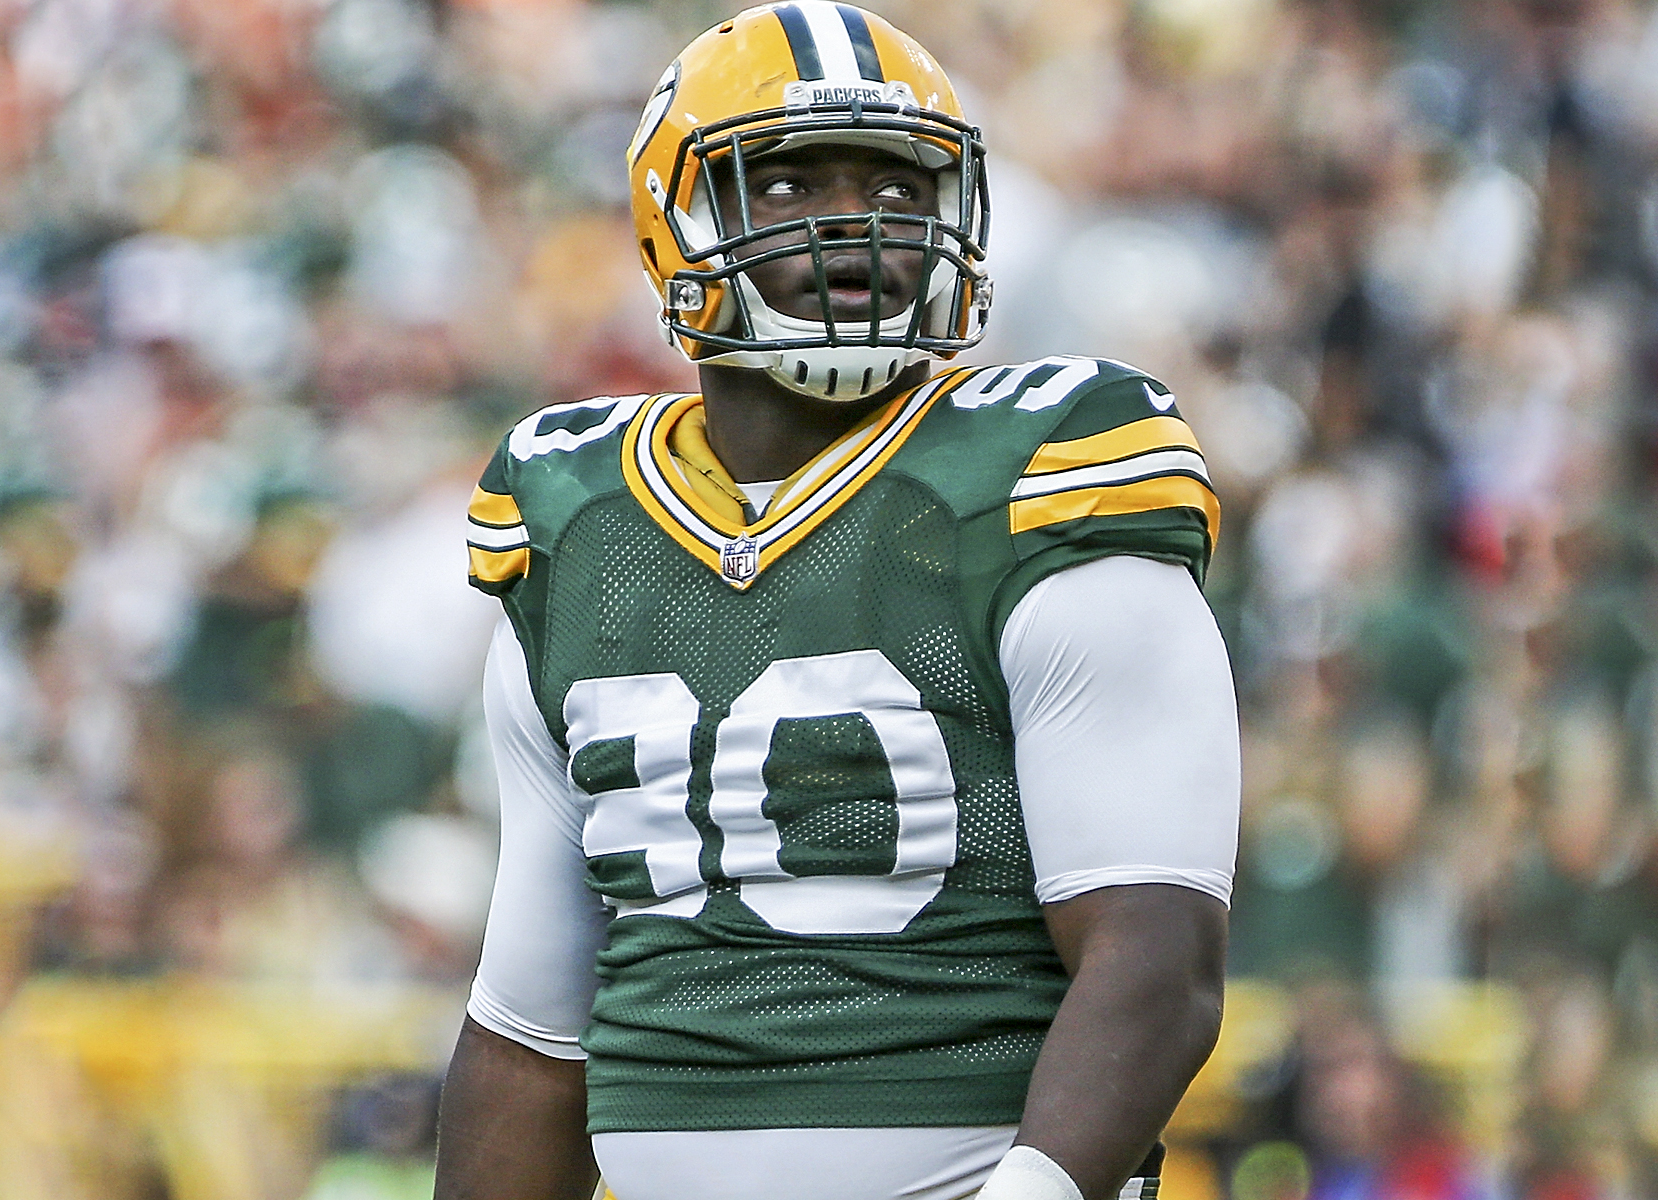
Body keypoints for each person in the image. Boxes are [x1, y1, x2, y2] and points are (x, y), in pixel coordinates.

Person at [434, 5, 1240, 1199]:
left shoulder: (1041, 473)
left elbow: (1156, 962)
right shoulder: (580, 525)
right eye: (790, 183)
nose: (856, 224)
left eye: (897, 187)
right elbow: (531, 1031)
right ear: (675, 218)